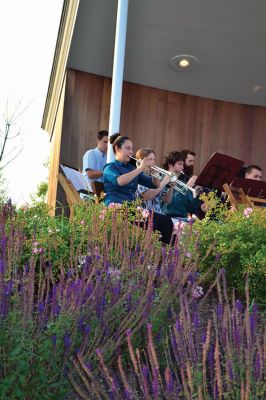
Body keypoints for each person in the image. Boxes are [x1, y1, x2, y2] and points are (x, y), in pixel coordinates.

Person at [103, 134, 173, 244]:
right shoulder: (110, 167)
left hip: (132, 209)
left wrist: (154, 174)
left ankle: (166, 255)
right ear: (117, 148)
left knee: (166, 221)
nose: (131, 152)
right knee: (152, 223)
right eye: (127, 148)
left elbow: (153, 184)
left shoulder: (131, 168)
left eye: (132, 148)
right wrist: (140, 168)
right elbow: (120, 181)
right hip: (116, 207)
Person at [161, 151, 205, 219]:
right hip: (168, 217)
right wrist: (186, 187)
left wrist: (200, 207)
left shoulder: (182, 182)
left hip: (183, 219)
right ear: (170, 164)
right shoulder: (162, 179)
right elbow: (168, 203)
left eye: (183, 164)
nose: (182, 168)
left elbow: (189, 206)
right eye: (179, 164)